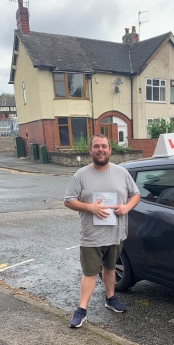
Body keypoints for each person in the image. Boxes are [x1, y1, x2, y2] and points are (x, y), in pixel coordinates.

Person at [64, 134, 140, 328]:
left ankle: (110, 298)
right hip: (91, 235)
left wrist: (126, 208)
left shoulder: (121, 173)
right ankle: (81, 310)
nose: (100, 149)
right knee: (90, 273)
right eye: (96, 146)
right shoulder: (81, 175)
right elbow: (69, 200)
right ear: (90, 150)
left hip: (115, 233)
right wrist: (90, 208)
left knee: (110, 268)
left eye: (104, 146)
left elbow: (135, 194)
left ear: (110, 150)